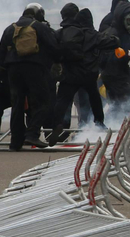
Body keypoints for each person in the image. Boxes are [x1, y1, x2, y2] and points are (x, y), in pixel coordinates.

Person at [48, 8, 120, 145]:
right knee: (94, 98)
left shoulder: (66, 33)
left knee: (62, 101)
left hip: (70, 75)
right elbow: (113, 42)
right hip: (88, 75)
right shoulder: (93, 34)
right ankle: (99, 122)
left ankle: (56, 125)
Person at [0, 4, 60, 150]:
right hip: (35, 68)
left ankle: (15, 142)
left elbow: (0, 56)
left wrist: (9, 67)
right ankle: (32, 134)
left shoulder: (10, 28)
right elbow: (54, 47)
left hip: (13, 70)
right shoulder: (39, 27)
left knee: (17, 105)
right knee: (43, 101)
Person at [101, 2, 130, 104]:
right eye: (129, 21)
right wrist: (128, 53)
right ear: (121, 18)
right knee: (127, 104)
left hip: (121, 74)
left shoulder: (124, 32)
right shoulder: (113, 34)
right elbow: (109, 55)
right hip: (114, 76)